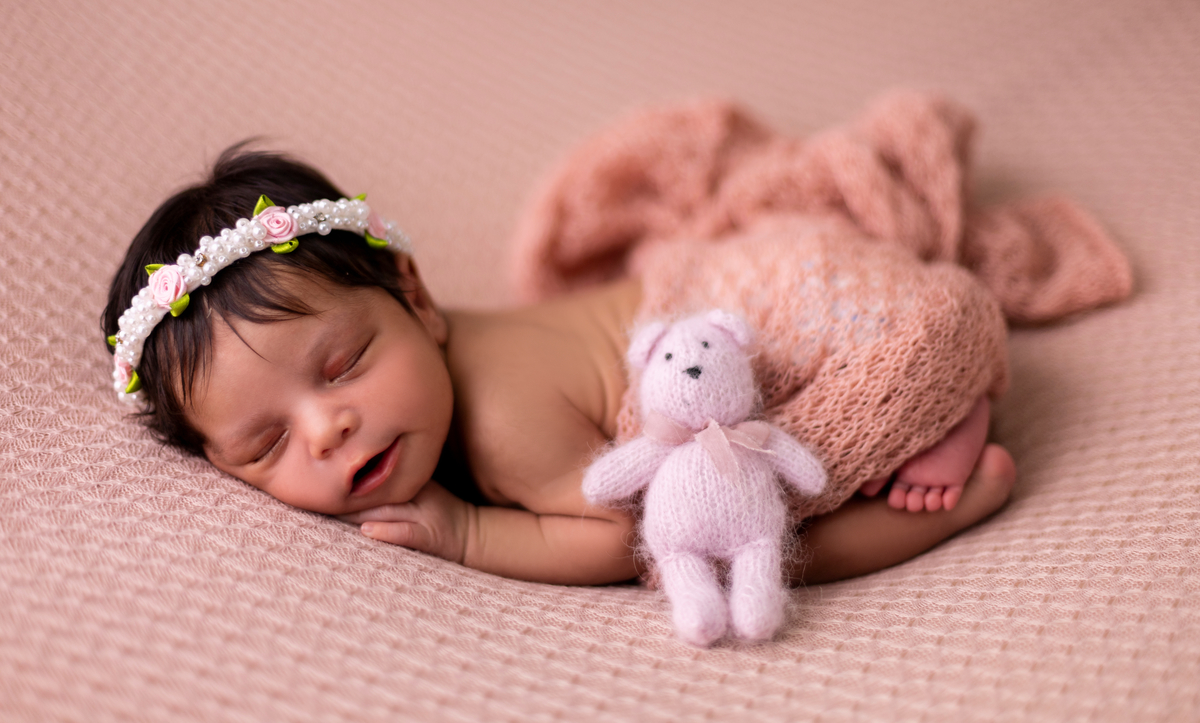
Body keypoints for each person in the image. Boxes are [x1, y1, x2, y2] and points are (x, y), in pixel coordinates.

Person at [102, 146, 1016, 588]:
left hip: (804, 311)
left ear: (416, 298)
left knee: (721, 533)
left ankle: (951, 457)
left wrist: (465, 534)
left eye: (343, 365)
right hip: (773, 272)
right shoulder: (433, 369)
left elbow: (619, 541)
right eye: (266, 444)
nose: (326, 428)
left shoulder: (500, 416)